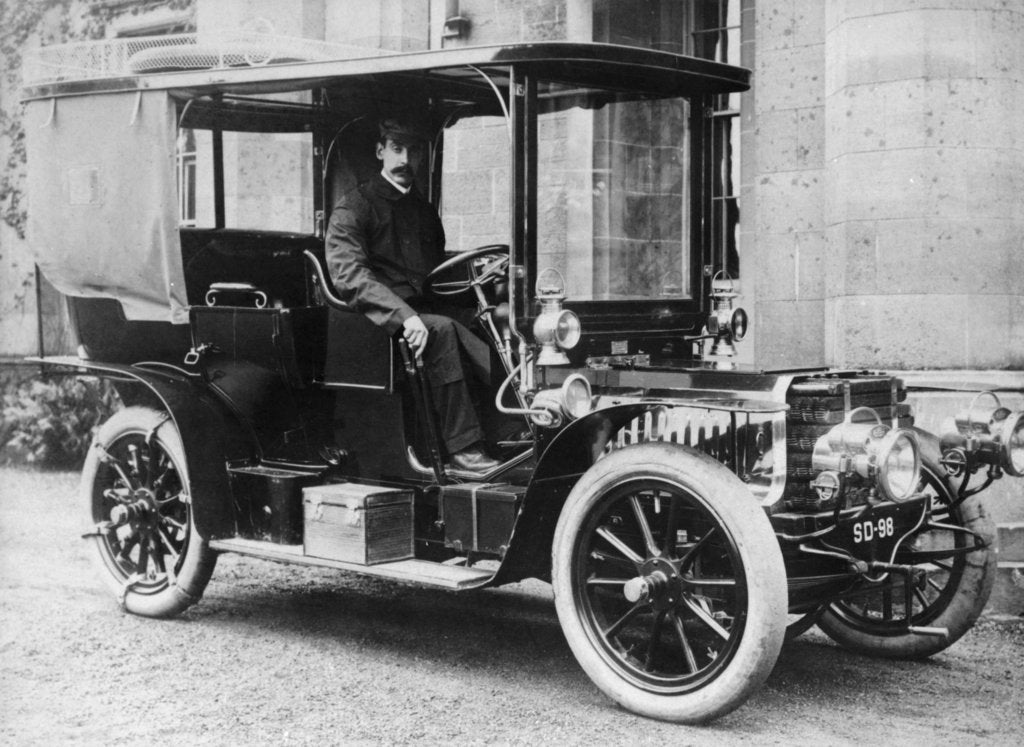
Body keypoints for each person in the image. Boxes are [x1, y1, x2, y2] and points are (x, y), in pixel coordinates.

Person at [325, 117, 500, 475]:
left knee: (497, 320)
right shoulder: (353, 207)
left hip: (424, 311)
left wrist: (485, 278)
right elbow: (349, 276)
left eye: (414, 151)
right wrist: (403, 316)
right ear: (380, 152)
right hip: (377, 322)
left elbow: (437, 275)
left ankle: (513, 425)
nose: (405, 159)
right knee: (441, 332)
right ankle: (463, 449)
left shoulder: (423, 211)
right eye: (397, 149)